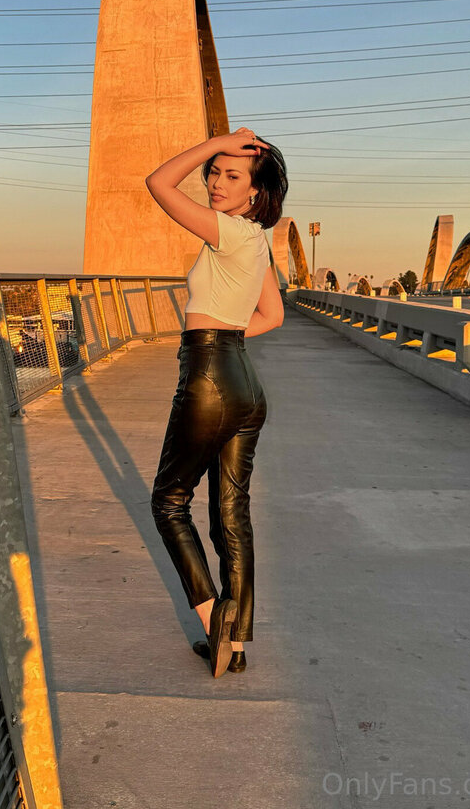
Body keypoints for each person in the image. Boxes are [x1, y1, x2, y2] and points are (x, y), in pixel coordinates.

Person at [145, 126, 288, 677]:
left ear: (255, 191)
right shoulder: (257, 240)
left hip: (209, 374)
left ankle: (214, 622)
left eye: (231, 175)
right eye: (213, 172)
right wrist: (225, 338)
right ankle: (239, 641)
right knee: (232, 513)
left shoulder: (227, 231)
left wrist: (214, 141)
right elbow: (273, 316)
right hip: (244, 381)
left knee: (169, 501)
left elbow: (159, 183)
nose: (215, 182)